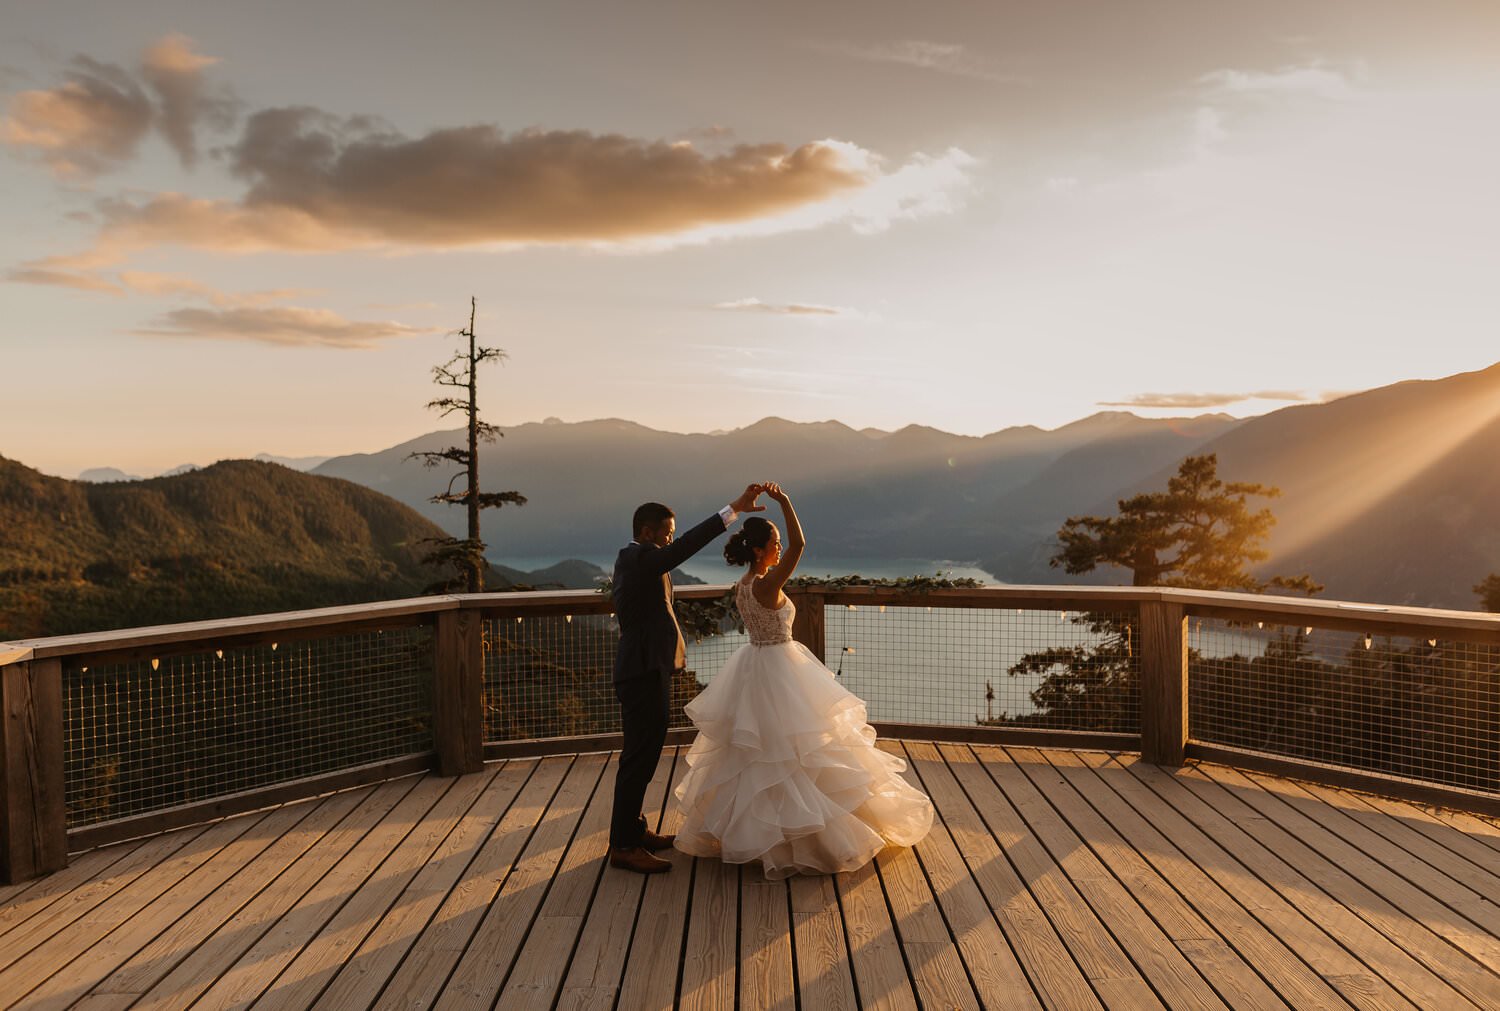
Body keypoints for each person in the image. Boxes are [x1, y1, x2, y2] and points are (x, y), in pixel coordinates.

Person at [673, 482, 934, 878]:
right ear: (759, 550)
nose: (780, 548)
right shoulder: (766, 584)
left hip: (754, 667)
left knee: (760, 755)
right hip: (781, 669)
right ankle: (809, 840)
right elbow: (800, 545)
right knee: (797, 752)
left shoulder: (742, 587)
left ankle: (759, 836)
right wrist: (784, 502)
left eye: (778, 543)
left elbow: (787, 553)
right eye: (774, 543)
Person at [608, 484, 766, 874]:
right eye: (667, 534)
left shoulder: (640, 560)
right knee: (638, 758)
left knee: (645, 755)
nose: (671, 540)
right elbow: (684, 548)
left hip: (649, 668)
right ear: (648, 532)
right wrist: (733, 510)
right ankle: (623, 846)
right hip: (641, 671)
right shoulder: (638, 557)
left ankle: (634, 830)